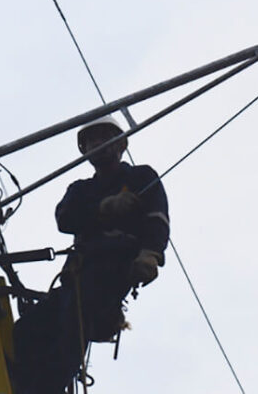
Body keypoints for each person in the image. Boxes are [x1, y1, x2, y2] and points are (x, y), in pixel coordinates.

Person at [12, 115, 170, 394]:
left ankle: (45, 389)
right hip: (79, 274)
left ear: (122, 144)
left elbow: (156, 218)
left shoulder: (140, 177)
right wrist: (103, 208)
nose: (98, 143)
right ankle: (23, 386)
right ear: (83, 151)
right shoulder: (81, 190)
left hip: (113, 269)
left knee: (73, 326)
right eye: (92, 140)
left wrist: (149, 254)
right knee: (26, 330)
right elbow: (65, 219)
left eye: (105, 137)